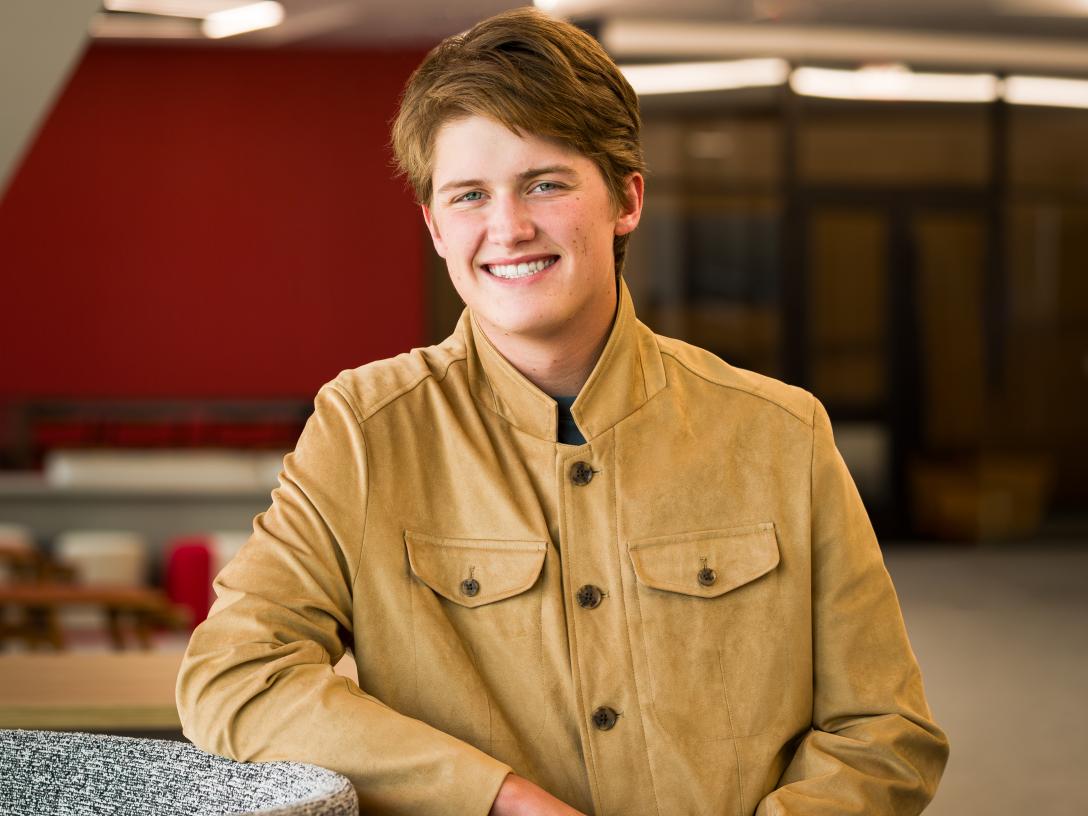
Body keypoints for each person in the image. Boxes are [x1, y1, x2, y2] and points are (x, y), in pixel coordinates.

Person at [176, 8, 949, 815]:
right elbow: (236, 676)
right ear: (437, 227)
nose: (508, 228)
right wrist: (497, 798)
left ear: (626, 199)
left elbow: (885, 728)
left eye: (545, 183)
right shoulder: (365, 431)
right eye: (470, 195)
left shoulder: (781, 435)